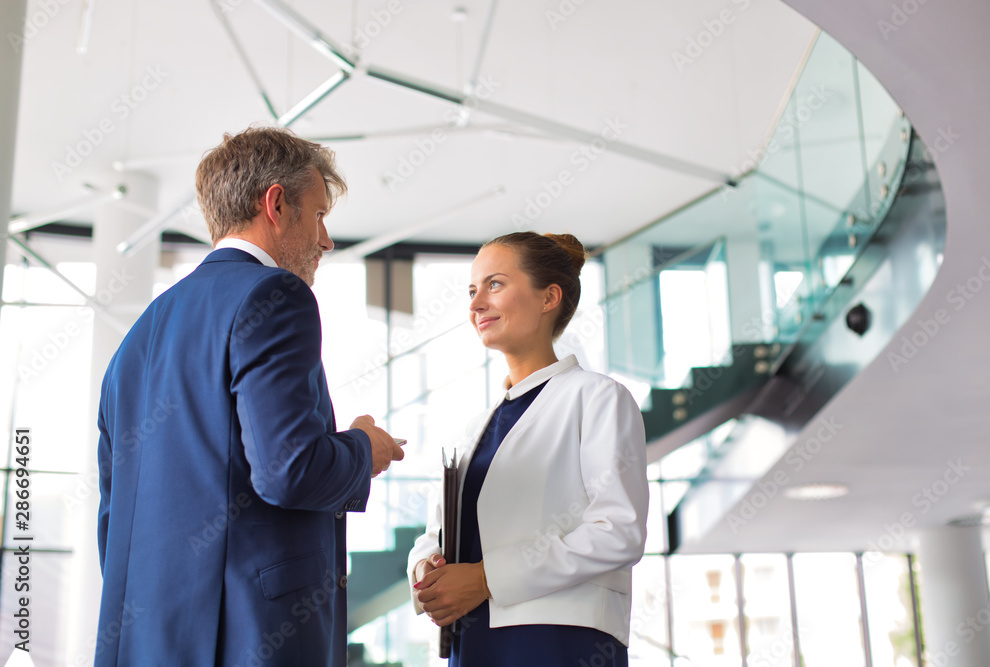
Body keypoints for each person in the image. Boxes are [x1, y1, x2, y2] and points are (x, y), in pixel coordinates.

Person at [95, 126, 404, 666]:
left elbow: (112, 509)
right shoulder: (275, 295)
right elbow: (288, 468)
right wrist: (363, 447)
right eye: (319, 214)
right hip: (249, 638)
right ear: (276, 205)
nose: (326, 240)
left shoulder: (138, 335)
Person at [407, 231, 649, 665]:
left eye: (494, 284)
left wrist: (486, 577)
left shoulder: (596, 398)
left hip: (558, 640)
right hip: (474, 636)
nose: (476, 303)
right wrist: (426, 567)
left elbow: (618, 530)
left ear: (548, 297)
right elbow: (435, 534)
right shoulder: (475, 428)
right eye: (471, 290)